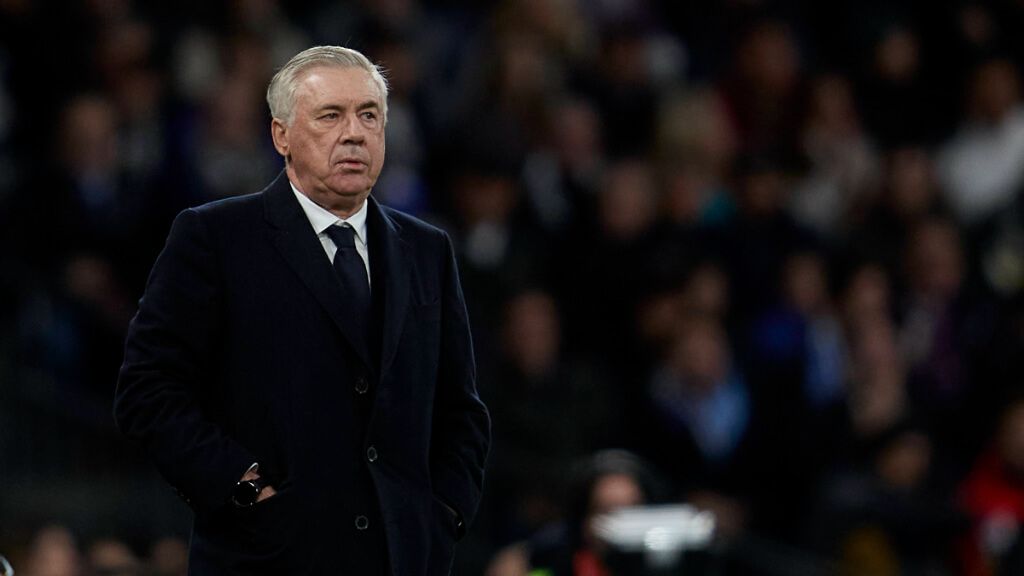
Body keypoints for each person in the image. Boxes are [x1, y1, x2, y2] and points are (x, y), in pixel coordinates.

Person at [113, 46, 491, 575]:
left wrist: (444, 514)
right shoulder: (216, 239)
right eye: (331, 116)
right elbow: (148, 393)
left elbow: (461, 409)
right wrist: (242, 488)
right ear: (281, 136)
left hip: (402, 559)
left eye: (369, 115)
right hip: (267, 558)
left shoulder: (428, 250)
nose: (355, 133)